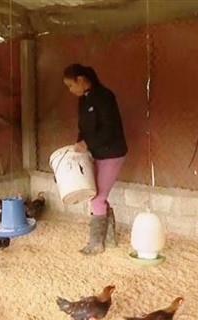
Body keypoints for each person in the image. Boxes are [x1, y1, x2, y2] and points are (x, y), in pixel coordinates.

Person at [63, 63, 128, 255]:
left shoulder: (105, 96)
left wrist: (87, 144)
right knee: (97, 196)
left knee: (97, 197)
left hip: (112, 152)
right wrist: (80, 145)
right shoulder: (84, 100)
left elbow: (110, 129)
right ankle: (109, 239)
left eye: (70, 85)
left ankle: (96, 244)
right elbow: (83, 129)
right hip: (97, 152)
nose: (70, 90)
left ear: (81, 80)